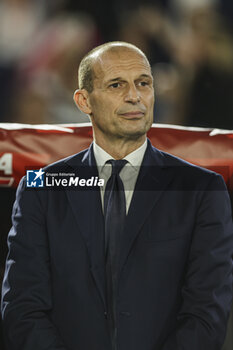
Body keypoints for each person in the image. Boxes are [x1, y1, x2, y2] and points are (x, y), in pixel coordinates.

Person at [1, 41, 233, 350]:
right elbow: (22, 306)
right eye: (116, 84)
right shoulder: (40, 187)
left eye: (143, 83)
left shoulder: (202, 189)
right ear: (85, 101)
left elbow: (208, 314)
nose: (134, 96)